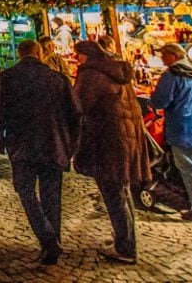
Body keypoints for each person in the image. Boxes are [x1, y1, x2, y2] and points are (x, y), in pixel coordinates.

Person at [0, 40, 79, 266]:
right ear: (40, 53)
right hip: (53, 144)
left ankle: (48, 239)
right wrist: (70, 145)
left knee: (25, 190)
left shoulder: (8, 78)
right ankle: (52, 241)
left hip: (21, 144)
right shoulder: (57, 79)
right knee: (51, 196)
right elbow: (75, 113)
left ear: (20, 54)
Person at [72, 40, 150, 265]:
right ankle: (125, 239)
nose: (77, 60)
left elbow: (78, 105)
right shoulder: (115, 71)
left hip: (108, 141)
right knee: (122, 192)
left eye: (78, 56)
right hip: (126, 139)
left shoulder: (92, 75)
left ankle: (125, 246)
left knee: (114, 193)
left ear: (86, 56)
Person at [150, 42, 192, 222]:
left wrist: (153, 100)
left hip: (183, 128)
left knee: (190, 169)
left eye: (164, 55)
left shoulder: (172, 75)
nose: (162, 59)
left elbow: (160, 101)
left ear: (174, 56)